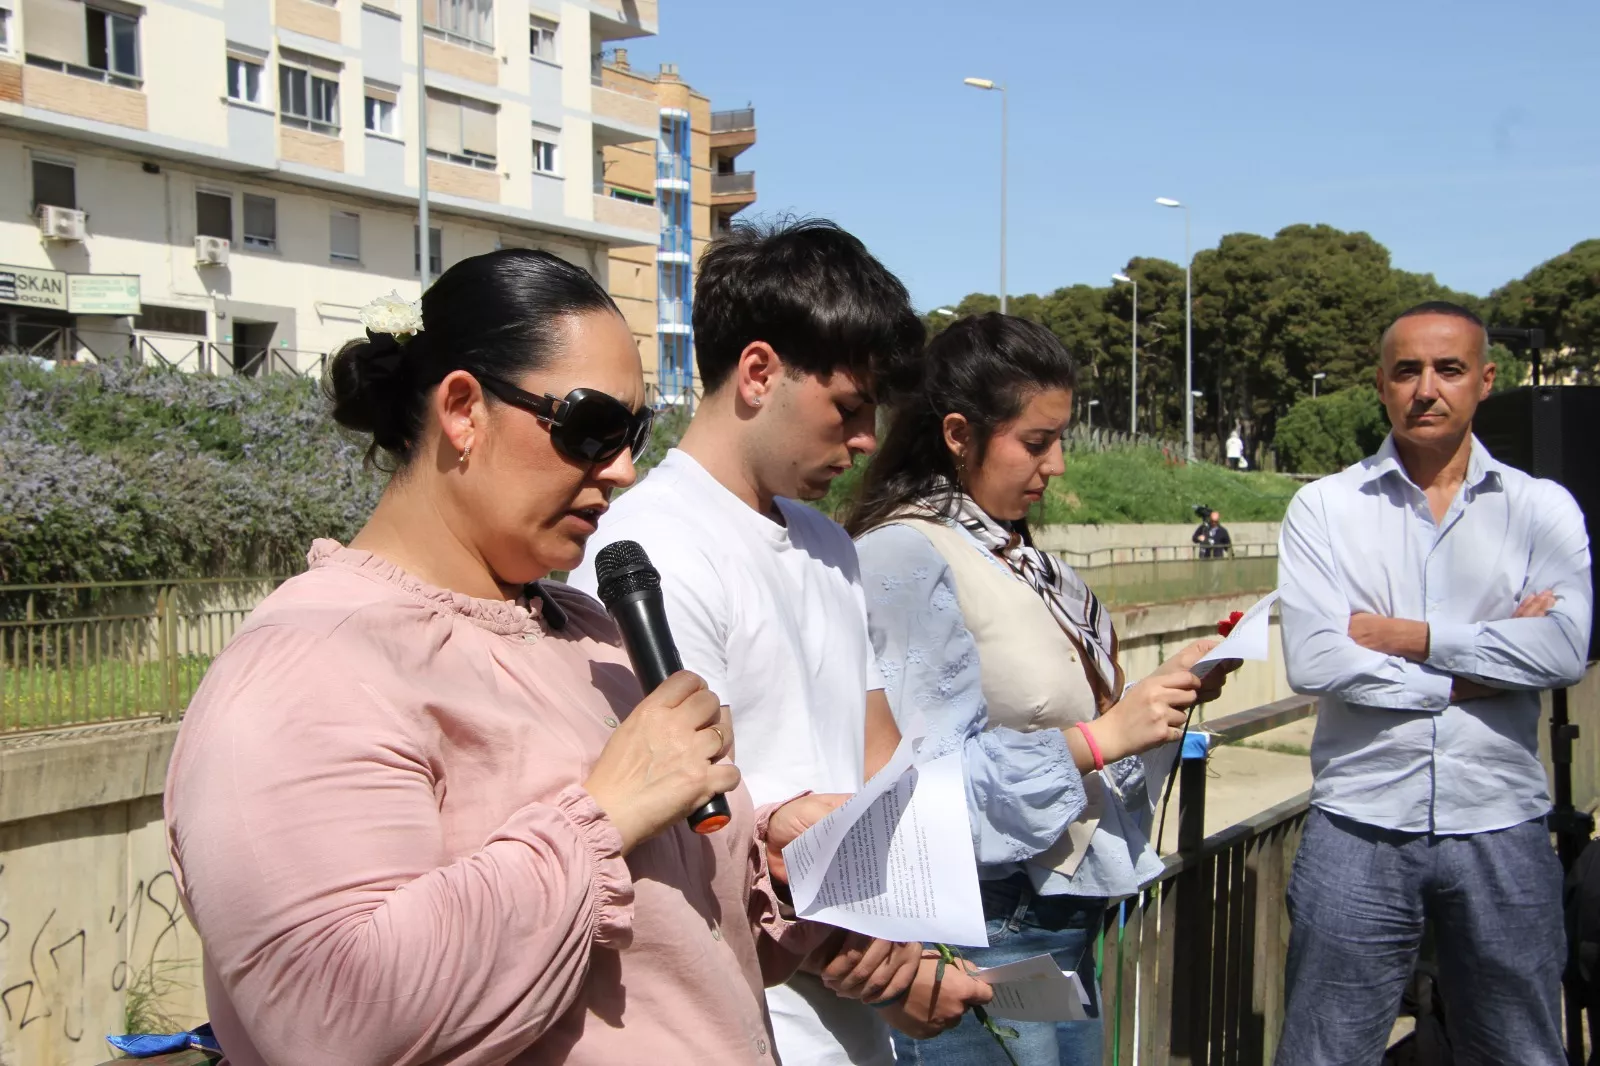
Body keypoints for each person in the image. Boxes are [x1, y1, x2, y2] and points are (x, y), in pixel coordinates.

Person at [162, 251, 909, 1066]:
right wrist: (603, 817)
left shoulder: (588, 629)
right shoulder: (308, 664)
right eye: (590, 428)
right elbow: (331, 1020)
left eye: (635, 433)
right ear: (462, 411)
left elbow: (676, 953)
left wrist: (771, 860)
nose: (622, 469)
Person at [571, 219, 992, 1064]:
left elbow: (881, 758)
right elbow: (691, 828)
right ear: (759, 372)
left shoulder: (826, 543)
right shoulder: (649, 551)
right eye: (849, 407)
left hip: (855, 1017)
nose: (868, 439)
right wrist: (878, 966)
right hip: (744, 1018)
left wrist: (915, 946)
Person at [845, 312, 1237, 1065]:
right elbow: (911, 785)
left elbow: (1070, 709)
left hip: (1057, 909)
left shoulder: (1017, 555)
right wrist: (1100, 740)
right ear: (958, 434)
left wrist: (1163, 692)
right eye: (1036, 441)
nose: (1056, 465)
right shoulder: (907, 552)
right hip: (985, 917)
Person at [1274, 301, 1593, 1066]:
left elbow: (1562, 652)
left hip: (1502, 823)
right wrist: (1473, 674)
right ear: (1380, 385)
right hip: (1358, 821)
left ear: (1485, 381)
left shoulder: (1541, 508)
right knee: (1325, 1051)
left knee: (1521, 1049)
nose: (1427, 388)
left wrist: (1409, 639)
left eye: (1448, 369)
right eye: (1407, 370)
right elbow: (1316, 660)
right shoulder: (1324, 507)